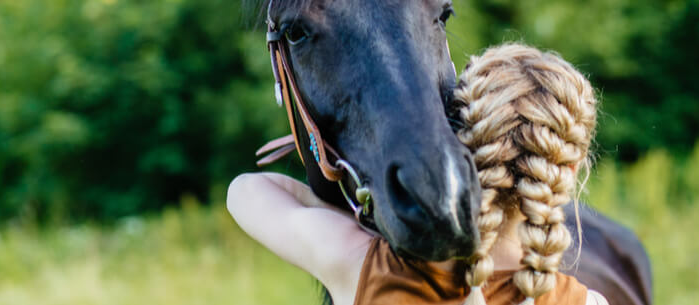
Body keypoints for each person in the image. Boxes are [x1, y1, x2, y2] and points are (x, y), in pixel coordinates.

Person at [227, 43, 610, 305]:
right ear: (569, 170)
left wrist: (357, 220)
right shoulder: (587, 302)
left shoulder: (362, 265)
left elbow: (246, 190)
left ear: (457, 144)